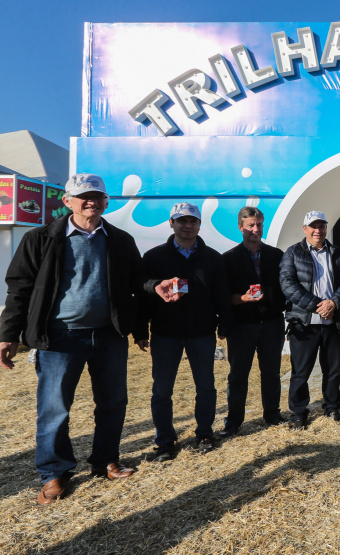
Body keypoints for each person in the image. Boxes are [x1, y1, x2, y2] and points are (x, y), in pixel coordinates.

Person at [0, 173, 174, 505]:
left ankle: (104, 460)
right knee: (54, 409)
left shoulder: (120, 240)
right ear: (67, 202)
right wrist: (8, 334)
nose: (90, 202)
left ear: (106, 202)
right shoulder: (41, 239)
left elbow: (138, 281)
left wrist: (156, 287)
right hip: (59, 338)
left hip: (109, 336)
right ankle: (54, 473)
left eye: (97, 196)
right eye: (83, 197)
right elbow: (19, 289)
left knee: (112, 403)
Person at [141, 202, 233, 461]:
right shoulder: (154, 257)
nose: (188, 226)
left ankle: (204, 432)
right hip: (164, 333)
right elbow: (142, 291)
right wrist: (140, 330)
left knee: (205, 386)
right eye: (182, 221)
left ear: (199, 225)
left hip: (201, 332)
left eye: (193, 221)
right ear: (171, 223)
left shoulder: (213, 258)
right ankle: (165, 440)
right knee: (162, 390)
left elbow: (222, 294)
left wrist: (225, 324)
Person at [280, 210, 340, 428]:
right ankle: (298, 414)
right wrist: (316, 306)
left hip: (332, 322)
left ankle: (332, 408)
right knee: (300, 372)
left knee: (333, 370)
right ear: (305, 229)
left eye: (321, 226)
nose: (317, 230)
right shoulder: (293, 253)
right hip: (304, 323)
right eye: (313, 226)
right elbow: (287, 284)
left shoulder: (339, 253)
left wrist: (333, 303)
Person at [219, 206, 287, 438]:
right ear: (241, 227)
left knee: (271, 372)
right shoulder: (228, 259)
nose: (255, 229)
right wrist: (243, 298)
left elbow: (284, 289)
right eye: (250, 225)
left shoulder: (276, 255)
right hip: (242, 326)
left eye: (259, 224)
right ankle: (234, 421)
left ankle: (272, 414)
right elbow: (222, 296)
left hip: (271, 323)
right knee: (238, 374)